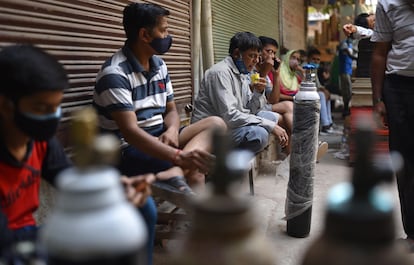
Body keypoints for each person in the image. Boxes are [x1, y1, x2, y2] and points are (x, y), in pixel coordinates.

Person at [0, 45, 155, 259]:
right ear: (5, 105)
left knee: (141, 205)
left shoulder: (39, 141)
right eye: (40, 108)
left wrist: (114, 188)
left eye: (56, 107)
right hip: (7, 243)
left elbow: (67, 177)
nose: (52, 116)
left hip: (28, 233)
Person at [191, 32, 289, 155]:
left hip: (230, 126)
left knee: (269, 119)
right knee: (259, 134)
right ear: (237, 54)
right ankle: (224, 165)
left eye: (257, 56)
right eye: (252, 56)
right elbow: (230, 116)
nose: (256, 61)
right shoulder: (220, 73)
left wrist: (258, 93)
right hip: (211, 132)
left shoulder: (243, 73)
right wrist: (271, 126)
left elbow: (249, 110)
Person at [370, 0, 414, 252]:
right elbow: (379, 53)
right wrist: (378, 100)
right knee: (405, 162)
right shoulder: (387, 4)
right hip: (399, 88)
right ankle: (413, 233)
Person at [255, 36, 293, 138]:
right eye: (268, 51)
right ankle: (305, 143)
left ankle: (302, 144)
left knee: (289, 106)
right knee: (284, 118)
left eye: (274, 53)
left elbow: (273, 100)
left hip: (263, 106)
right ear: (258, 51)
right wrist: (263, 72)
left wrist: (276, 75)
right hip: (252, 110)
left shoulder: (265, 70)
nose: (271, 56)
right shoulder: (251, 68)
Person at [307, 48, 336, 134]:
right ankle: (325, 125)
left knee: (326, 94)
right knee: (322, 95)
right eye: (314, 59)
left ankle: (329, 122)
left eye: (318, 60)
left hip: (313, 91)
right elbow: (309, 85)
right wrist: (322, 90)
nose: (316, 61)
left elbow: (318, 84)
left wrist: (324, 90)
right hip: (306, 92)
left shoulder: (314, 70)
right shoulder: (306, 68)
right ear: (308, 59)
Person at [343, 13, 375, 77]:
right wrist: (354, 29)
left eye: (374, 19)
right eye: (373, 22)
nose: (376, 22)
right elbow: (367, 33)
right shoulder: (370, 37)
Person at [338, 37, 357, 117]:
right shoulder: (344, 43)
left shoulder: (350, 44)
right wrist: (356, 58)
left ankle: (346, 109)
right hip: (344, 70)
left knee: (348, 90)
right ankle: (346, 109)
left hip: (348, 70)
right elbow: (347, 53)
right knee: (347, 90)